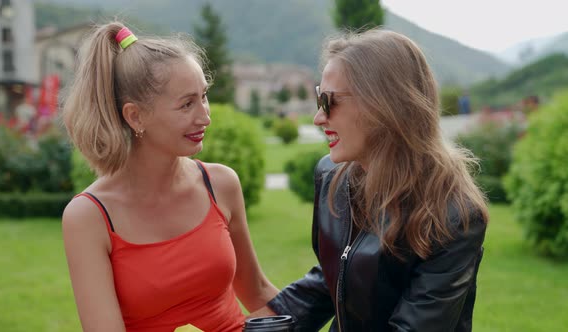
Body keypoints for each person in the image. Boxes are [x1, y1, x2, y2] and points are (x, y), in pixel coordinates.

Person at [251, 29, 489, 331]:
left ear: (384, 104)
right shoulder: (331, 176)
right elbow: (334, 279)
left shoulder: (456, 215)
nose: (318, 117)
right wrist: (257, 323)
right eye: (317, 98)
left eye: (329, 101)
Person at [61, 22, 278, 332]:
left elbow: (257, 293)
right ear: (135, 116)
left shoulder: (220, 184)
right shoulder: (89, 217)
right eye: (186, 104)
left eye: (203, 97)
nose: (205, 116)